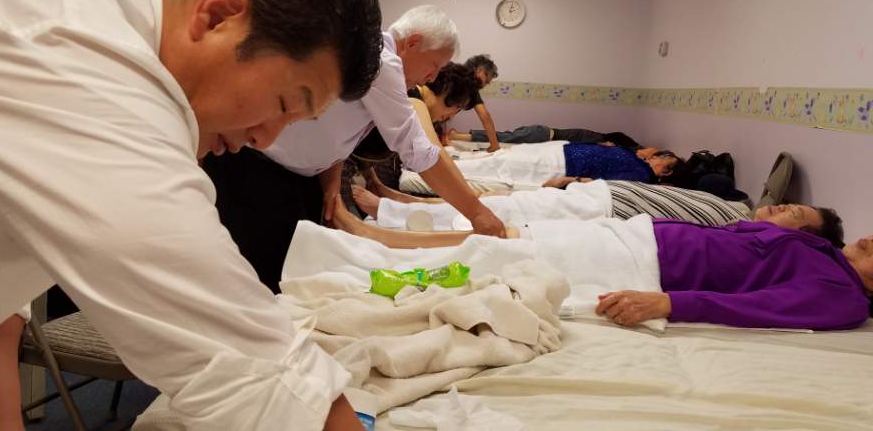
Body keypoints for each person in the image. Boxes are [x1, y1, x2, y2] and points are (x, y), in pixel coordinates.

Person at [0, 0, 382, 431]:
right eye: (285, 103)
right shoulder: (67, 57)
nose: (266, 138)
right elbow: (259, 373)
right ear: (217, 16)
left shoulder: (79, 11)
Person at [202, 6, 506, 292]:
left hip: (300, 175)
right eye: (434, 66)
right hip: (259, 167)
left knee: (291, 269)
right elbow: (419, 152)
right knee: (260, 277)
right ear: (412, 43)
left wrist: (331, 177)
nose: (432, 78)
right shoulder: (381, 62)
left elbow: (335, 129)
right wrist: (478, 213)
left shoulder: (374, 62)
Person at [326, 202, 871, 330]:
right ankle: (380, 240)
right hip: (639, 238)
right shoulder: (824, 253)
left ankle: (369, 256)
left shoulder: (842, 295)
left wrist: (671, 303)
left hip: (647, 265)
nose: (870, 238)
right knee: (512, 236)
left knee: (501, 251)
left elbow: (757, 307)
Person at [348, 175, 843, 248]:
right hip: (603, 196)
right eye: (792, 203)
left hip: (605, 214)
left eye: (794, 215)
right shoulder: (736, 209)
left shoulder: (736, 232)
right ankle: (395, 207)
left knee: (504, 217)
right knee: (504, 204)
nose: (783, 207)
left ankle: (390, 216)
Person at [442, 140, 682, 189]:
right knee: (503, 155)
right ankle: (448, 158)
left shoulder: (642, 177)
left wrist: (569, 181)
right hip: (561, 150)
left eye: (662, 159)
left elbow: (603, 185)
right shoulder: (638, 161)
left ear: (667, 171)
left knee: (502, 165)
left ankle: (440, 169)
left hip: (560, 165)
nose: (656, 157)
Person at [452, 125, 645, 152]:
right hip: (541, 134)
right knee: (504, 137)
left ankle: (458, 136)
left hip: (542, 134)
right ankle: (457, 136)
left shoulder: (592, 136)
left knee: (505, 137)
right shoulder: (593, 138)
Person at [457, 54, 502, 152]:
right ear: (480, 71)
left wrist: (494, 145)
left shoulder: (471, 88)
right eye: (486, 81)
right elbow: (485, 116)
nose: (485, 85)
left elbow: (485, 116)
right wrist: (495, 145)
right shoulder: (457, 78)